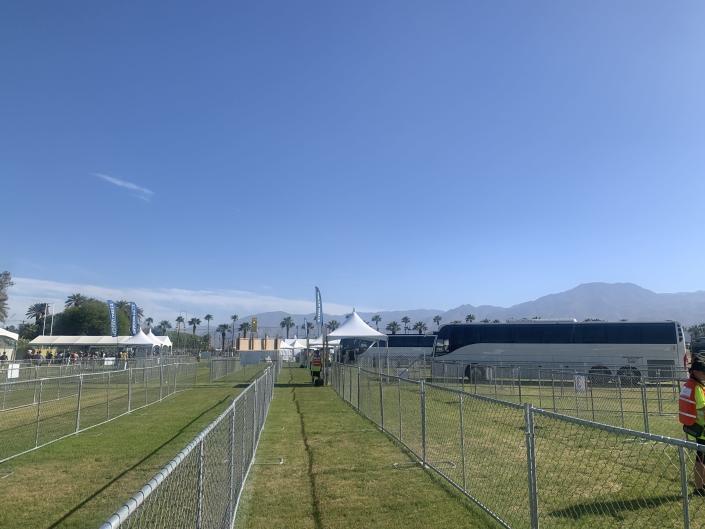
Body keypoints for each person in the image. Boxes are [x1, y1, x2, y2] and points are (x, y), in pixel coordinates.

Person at [680, 356, 705, 495]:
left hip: (695, 426)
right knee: (700, 458)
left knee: (701, 458)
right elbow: (702, 408)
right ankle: (699, 488)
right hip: (702, 428)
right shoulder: (696, 387)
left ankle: (702, 485)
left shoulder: (689, 384)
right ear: (695, 372)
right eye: (703, 372)